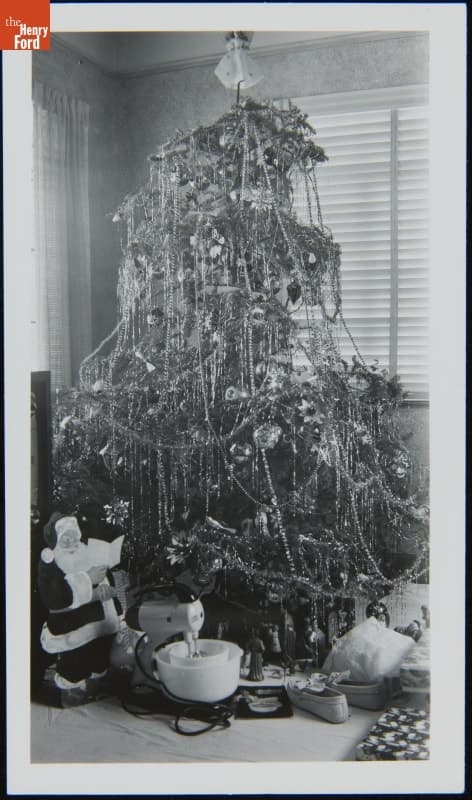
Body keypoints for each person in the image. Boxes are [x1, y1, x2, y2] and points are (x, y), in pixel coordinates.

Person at [37, 512, 123, 704]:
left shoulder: (87, 553)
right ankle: (71, 693)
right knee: (74, 662)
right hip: (73, 626)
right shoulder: (51, 561)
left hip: (101, 624)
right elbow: (54, 598)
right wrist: (89, 583)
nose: (72, 541)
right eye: (66, 537)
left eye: (74, 535)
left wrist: (115, 607)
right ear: (57, 538)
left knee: (98, 658)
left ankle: (94, 687)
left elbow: (106, 584)